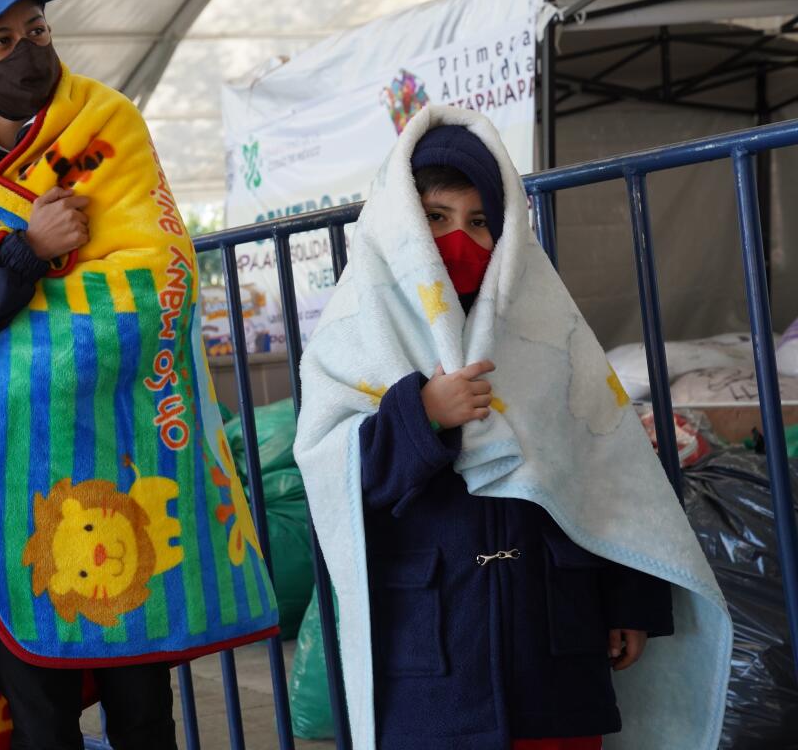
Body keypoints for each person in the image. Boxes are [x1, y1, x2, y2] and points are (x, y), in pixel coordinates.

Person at [0, 0, 278, 750]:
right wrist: (26, 251)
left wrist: (2, 327)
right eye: (3, 39)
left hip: (110, 462)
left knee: (140, 707)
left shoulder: (107, 126)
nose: (30, 54)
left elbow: (157, 276)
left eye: (39, 33)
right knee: (38, 716)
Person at [295, 106, 731, 750]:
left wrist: (626, 603)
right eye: (436, 218)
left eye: (479, 222)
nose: (458, 240)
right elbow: (334, 482)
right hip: (431, 654)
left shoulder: (549, 332)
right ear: (399, 223)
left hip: (554, 641)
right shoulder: (355, 337)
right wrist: (421, 417)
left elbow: (611, 471)